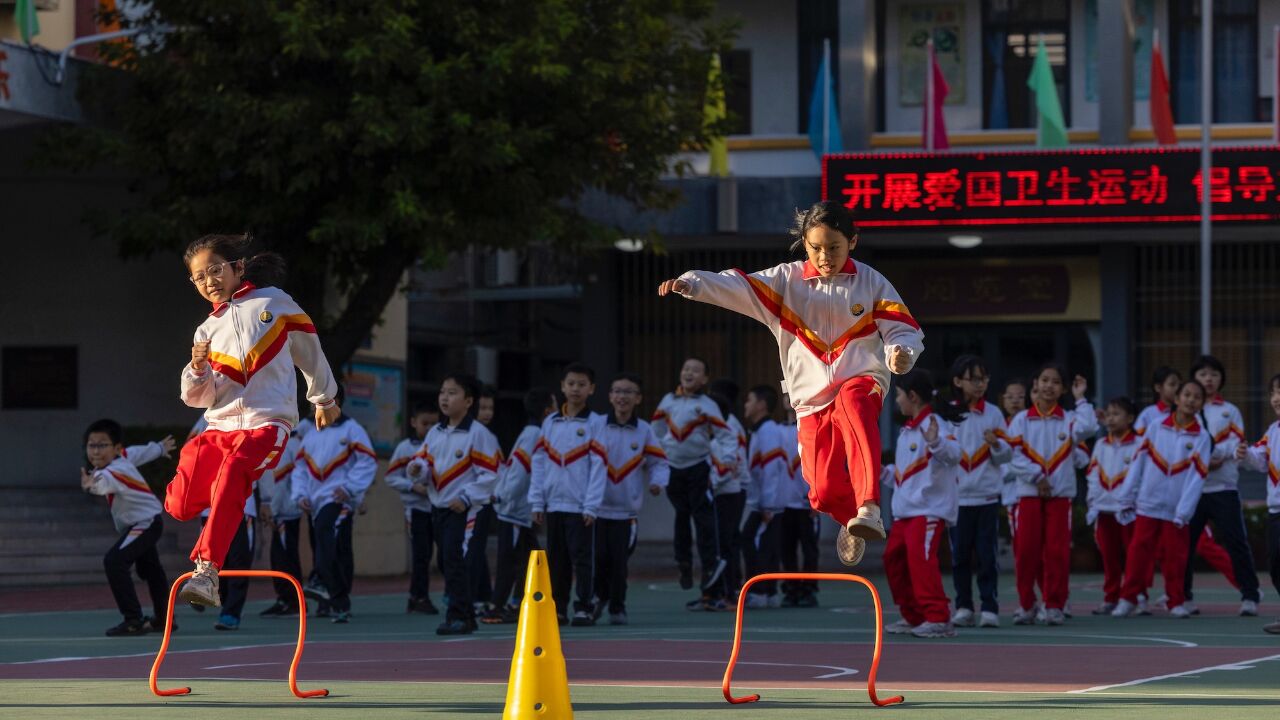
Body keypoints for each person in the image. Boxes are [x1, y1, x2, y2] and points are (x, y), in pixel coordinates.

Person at [658, 201, 923, 568]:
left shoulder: (871, 281)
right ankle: (852, 519)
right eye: (816, 248)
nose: (825, 256)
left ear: (853, 242)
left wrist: (900, 351)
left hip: (862, 379)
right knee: (823, 494)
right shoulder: (784, 282)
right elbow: (738, 285)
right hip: (810, 400)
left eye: (834, 247)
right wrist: (694, 283)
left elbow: (903, 327)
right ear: (804, 243)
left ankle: (869, 505)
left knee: (854, 401)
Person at [168, 234, 340, 608]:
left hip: (266, 424)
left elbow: (310, 350)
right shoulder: (206, 331)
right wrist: (197, 367)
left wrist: (323, 398)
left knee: (233, 473)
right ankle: (203, 535)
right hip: (219, 427)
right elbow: (200, 398)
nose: (209, 281)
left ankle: (206, 571)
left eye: (215, 270)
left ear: (237, 268)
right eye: (199, 277)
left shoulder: (273, 303)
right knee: (180, 505)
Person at [407, 374, 502, 635]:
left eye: (452, 393)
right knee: (446, 561)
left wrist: (467, 497)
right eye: (442, 392)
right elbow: (424, 462)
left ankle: (458, 614)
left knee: (454, 558)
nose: (445, 398)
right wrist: (417, 469)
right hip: (438, 507)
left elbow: (491, 474)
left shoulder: (479, 434)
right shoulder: (436, 432)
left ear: (469, 401)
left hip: (463, 509)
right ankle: (466, 615)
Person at [1006, 363, 1097, 626]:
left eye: (1056, 382)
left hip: (1060, 497)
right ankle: (1026, 605)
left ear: (1063, 389)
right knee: (1026, 552)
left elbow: (1088, 428)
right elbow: (1013, 456)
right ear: (1035, 385)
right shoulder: (1021, 420)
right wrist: (1037, 477)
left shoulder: (1069, 419)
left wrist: (1081, 398)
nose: (1049, 386)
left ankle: (1054, 604)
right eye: (1044, 380)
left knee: (1057, 552)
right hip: (1029, 495)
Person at [1112, 380, 1211, 618]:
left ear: (1201, 404)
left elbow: (1197, 479)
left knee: (1175, 557)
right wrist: (1126, 496)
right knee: (1138, 553)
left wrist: (1184, 511)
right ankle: (1128, 598)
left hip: (1176, 509)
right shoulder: (1155, 427)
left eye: (1196, 397)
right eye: (1186, 394)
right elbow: (1138, 462)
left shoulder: (1203, 438)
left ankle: (1175, 600)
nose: (1190, 400)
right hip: (1148, 503)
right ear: (1176, 399)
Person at [879, 370, 962, 638]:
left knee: (921, 562)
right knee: (894, 560)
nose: (897, 401)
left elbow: (954, 454)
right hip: (905, 513)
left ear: (912, 396)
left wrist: (936, 441)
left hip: (928, 512)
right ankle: (914, 616)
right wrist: (880, 472)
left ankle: (938, 617)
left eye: (900, 395)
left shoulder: (936, 424)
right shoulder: (907, 432)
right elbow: (905, 475)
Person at [651, 357, 737, 607]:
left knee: (703, 520)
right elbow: (654, 432)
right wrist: (657, 459)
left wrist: (729, 458)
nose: (689, 373)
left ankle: (710, 570)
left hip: (698, 468)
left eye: (696, 371)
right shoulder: (667, 402)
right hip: (673, 469)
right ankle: (684, 564)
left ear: (704, 379)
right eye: (686, 368)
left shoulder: (707, 404)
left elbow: (725, 435)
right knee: (681, 514)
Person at [80, 420, 176, 636]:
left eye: (102, 445)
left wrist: (91, 485)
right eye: (91, 445)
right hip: (147, 522)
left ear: (115, 448)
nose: (95, 451)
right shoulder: (122, 456)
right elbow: (139, 453)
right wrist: (159, 448)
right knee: (151, 570)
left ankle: (133, 619)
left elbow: (102, 483)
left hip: (145, 524)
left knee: (114, 561)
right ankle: (164, 619)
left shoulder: (111, 472)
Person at [529, 362, 607, 627]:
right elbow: (538, 463)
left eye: (582, 384)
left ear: (592, 389)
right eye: (571, 383)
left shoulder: (597, 423)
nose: (575, 389)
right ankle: (559, 607)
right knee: (557, 560)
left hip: (580, 506)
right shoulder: (550, 422)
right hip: (553, 505)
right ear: (562, 387)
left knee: (582, 559)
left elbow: (599, 467)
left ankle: (584, 606)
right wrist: (537, 501)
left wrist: (591, 505)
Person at [291, 388, 377, 624]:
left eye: (316, 401)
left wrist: (350, 489)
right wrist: (300, 495)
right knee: (332, 549)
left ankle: (321, 583)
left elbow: (368, 461)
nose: (311, 407)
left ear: (334, 401)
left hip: (339, 500)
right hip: (315, 503)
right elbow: (299, 469)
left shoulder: (352, 430)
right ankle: (336, 601)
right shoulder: (310, 435)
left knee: (328, 541)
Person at [1184, 355, 1261, 616]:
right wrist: (1203, 461)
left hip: (1223, 487)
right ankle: (1183, 597)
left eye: (1214, 374)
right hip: (1192, 489)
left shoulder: (1230, 410)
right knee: (1185, 544)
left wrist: (1217, 457)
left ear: (1221, 380)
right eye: (1203, 374)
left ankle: (1250, 595)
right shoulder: (1185, 412)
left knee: (1236, 541)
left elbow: (1238, 442)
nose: (1208, 379)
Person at [593, 373, 670, 624]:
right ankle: (597, 599)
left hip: (626, 513)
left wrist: (658, 482)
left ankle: (617, 607)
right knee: (598, 559)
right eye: (617, 391)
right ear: (609, 396)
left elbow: (659, 462)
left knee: (619, 562)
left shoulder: (644, 430)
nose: (621, 397)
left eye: (628, 392)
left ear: (638, 398)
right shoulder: (597, 426)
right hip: (595, 510)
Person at [946, 355, 1011, 629]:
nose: (980, 384)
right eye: (974, 379)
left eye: (984, 379)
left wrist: (996, 445)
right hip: (957, 498)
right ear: (958, 381)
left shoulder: (994, 413)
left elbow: (1006, 456)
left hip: (986, 496)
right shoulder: (948, 412)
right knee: (959, 556)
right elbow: (942, 454)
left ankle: (989, 607)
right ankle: (963, 606)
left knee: (987, 555)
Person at [483, 388, 556, 624]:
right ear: (547, 411)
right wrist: (505, 497)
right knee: (510, 559)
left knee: (533, 557)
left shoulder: (532, 432)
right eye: (554, 406)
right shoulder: (535, 434)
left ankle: (518, 602)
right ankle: (497, 606)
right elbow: (520, 471)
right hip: (514, 510)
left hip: (520, 511)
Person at [1085, 397, 1140, 615]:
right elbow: (1092, 474)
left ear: (1130, 418)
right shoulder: (1100, 444)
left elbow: (1139, 477)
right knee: (1109, 556)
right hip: (1104, 510)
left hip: (1128, 511)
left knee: (1133, 556)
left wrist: (1128, 501)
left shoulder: (1138, 444)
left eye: (1116, 414)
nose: (1111, 419)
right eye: (1108, 414)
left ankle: (1137, 595)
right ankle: (1111, 596)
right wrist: (1094, 501)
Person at [385, 402, 441, 615]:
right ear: (413, 422)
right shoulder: (405, 448)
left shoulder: (438, 445)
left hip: (436, 508)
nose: (428, 428)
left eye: (433, 423)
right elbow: (390, 477)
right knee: (421, 554)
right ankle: (418, 597)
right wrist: (412, 487)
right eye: (424, 423)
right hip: (416, 510)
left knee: (436, 554)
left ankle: (419, 596)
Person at [1236, 373, 1280, 634]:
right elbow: (1259, 458)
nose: (1276, 398)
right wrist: (1242, 454)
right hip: (1276, 510)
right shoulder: (1273, 431)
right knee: (1275, 562)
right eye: (1274, 392)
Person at [740, 385, 788, 609]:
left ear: (761, 404)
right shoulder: (759, 430)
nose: (746, 405)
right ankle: (768, 592)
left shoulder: (768, 431)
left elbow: (771, 470)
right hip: (764, 502)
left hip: (767, 503)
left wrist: (767, 504)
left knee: (755, 544)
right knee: (765, 545)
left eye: (749, 400)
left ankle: (760, 591)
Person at [708, 378, 749, 608]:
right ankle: (721, 592)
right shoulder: (727, 423)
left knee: (725, 543)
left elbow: (730, 463)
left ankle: (729, 592)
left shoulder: (727, 426)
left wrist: (711, 482)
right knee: (726, 542)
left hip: (728, 489)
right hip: (729, 488)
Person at [258, 427, 306, 618]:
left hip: (287, 511)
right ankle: (284, 598)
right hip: (276, 510)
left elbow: (293, 479)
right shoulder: (268, 443)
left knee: (287, 556)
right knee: (277, 556)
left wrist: (276, 507)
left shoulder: (292, 444)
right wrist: (267, 505)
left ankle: (294, 602)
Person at [778, 405, 820, 607]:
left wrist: (816, 497)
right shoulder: (778, 430)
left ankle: (809, 589)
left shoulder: (812, 425)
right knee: (787, 548)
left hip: (808, 503)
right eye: (786, 396)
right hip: (786, 503)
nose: (790, 401)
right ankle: (791, 588)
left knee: (809, 548)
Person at [469, 384, 500, 614]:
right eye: (483, 407)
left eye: (490, 408)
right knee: (471, 549)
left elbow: (498, 468)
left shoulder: (488, 435)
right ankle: (480, 594)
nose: (487, 412)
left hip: (483, 501)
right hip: (467, 500)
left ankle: (480, 597)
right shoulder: (471, 433)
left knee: (476, 548)